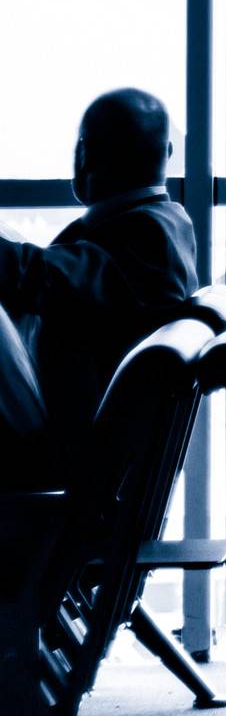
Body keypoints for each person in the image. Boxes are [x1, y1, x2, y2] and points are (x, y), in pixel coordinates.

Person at [0, 89, 197, 487]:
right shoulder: (169, 222)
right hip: (98, 455)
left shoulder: (146, 236)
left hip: (65, 460)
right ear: (168, 151)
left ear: (85, 154)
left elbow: (36, 277)